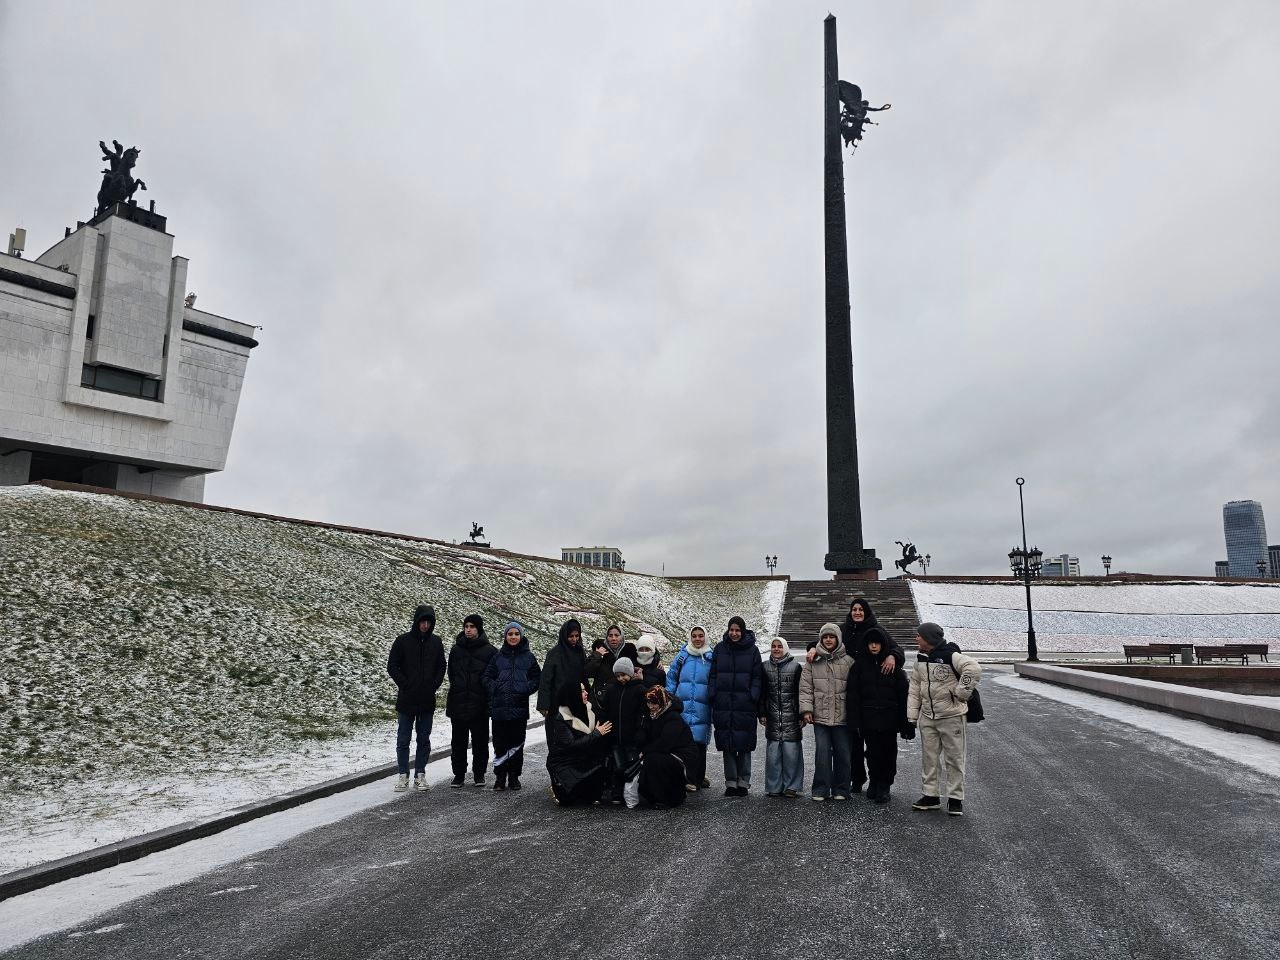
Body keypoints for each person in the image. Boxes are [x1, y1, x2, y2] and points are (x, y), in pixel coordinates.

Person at [809, 597, 905, 793]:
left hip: (870, 691)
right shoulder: (844, 629)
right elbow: (826, 640)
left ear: (866, 612)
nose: (857, 612)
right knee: (853, 743)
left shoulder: (876, 629)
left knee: (875, 745)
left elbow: (896, 648)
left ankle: (879, 781)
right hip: (848, 691)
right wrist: (811, 647)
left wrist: (892, 656)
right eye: (854, 609)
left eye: (861, 609)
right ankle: (857, 778)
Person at [907, 622, 982, 816]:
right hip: (928, 717)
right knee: (929, 758)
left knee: (954, 758)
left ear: (929, 638)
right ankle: (930, 795)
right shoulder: (920, 659)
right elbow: (915, 689)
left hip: (951, 716)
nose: (916, 638)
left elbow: (973, 668)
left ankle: (955, 799)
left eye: (919, 635)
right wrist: (912, 717)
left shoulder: (950, 655)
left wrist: (962, 692)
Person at [387, 605, 446, 792]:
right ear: (416, 621)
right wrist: (405, 684)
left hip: (427, 700)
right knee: (403, 739)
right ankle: (403, 774)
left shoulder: (436, 642)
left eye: (429, 622)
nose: (425, 625)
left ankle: (420, 774)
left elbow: (441, 666)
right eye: (422, 621)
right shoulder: (402, 641)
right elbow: (392, 666)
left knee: (424, 739)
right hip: (407, 700)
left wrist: (434, 684)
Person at [846, 630, 909, 804]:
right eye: (870, 643)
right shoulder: (859, 667)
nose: (874, 646)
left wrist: (906, 724)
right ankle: (874, 780)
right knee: (872, 753)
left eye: (877, 643)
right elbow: (853, 696)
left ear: (883, 645)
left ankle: (885, 785)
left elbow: (903, 696)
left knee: (888, 752)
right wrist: (855, 721)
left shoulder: (893, 667)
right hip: (869, 718)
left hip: (889, 719)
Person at [481, 621, 542, 792]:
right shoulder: (498, 657)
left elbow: (537, 678)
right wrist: (495, 688)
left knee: (516, 744)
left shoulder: (529, 657)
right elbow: (486, 677)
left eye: (516, 634)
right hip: (499, 710)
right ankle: (500, 777)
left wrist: (525, 688)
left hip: (519, 709)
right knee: (500, 744)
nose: (513, 637)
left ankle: (514, 777)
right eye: (510, 634)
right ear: (505, 636)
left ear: (521, 636)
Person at [708, 616, 763, 796]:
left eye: (737, 630)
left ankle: (743, 782)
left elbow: (757, 677)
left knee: (744, 744)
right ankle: (731, 782)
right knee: (728, 744)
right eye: (731, 630)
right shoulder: (720, 648)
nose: (734, 633)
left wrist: (753, 695)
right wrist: (713, 693)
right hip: (724, 702)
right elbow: (713, 674)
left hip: (744, 704)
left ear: (743, 631)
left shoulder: (753, 650)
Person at [799, 622, 853, 801]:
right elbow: (806, 688)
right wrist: (807, 710)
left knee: (843, 754)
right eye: (825, 637)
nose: (828, 640)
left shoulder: (848, 661)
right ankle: (820, 789)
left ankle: (842, 789)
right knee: (822, 753)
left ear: (838, 639)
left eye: (832, 637)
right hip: (820, 716)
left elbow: (854, 690)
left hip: (842, 715)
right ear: (820, 639)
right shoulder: (812, 661)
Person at [445, 614, 496, 788]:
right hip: (458, 702)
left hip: (479, 704)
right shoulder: (456, 650)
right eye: (466, 626)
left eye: (472, 626)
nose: (468, 629)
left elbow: (492, 677)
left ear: (478, 629)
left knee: (480, 742)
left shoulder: (490, 651)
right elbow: (451, 673)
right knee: (458, 742)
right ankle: (458, 775)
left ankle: (479, 774)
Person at [546, 681, 613, 806]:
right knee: (567, 801)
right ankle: (557, 788)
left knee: (592, 797)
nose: (586, 693)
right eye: (582, 691)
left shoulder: (589, 710)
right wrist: (596, 734)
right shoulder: (562, 718)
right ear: (573, 695)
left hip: (583, 759)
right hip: (565, 764)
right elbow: (571, 746)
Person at [665, 625, 714, 790]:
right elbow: (672, 677)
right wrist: (670, 698)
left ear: (705, 637)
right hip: (683, 706)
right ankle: (688, 778)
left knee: (700, 743)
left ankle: (697, 778)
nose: (697, 639)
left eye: (701, 635)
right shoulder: (682, 656)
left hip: (703, 706)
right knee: (684, 743)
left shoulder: (711, 657)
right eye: (694, 636)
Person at [600, 656, 649, 808]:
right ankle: (617, 793)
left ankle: (631, 794)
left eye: (623, 675)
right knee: (617, 765)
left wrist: (640, 732)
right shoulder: (611, 689)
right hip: (615, 735)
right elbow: (605, 710)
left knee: (631, 765)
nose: (621, 678)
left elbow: (643, 713)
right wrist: (606, 727)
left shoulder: (639, 689)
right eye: (618, 676)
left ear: (630, 673)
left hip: (632, 736)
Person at [637, 687, 697, 809]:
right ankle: (656, 796)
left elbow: (665, 743)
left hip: (683, 755)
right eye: (649, 703)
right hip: (668, 751)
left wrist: (645, 751)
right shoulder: (653, 715)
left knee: (654, 760)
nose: (651, 706)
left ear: (662, 701)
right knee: (651, 759)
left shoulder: (673, 717)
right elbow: (646, 734)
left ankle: (667, 798)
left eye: (654, 703)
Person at [759, 637, 803, 798]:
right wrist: (762, 713)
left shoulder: (796, 667)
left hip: (791, 717)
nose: (776, 649)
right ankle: (774, 786)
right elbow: (762, 693)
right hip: (772, 716)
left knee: (792, 753)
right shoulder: (764, 667)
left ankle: (792, 786)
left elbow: (801, 693)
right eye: (773, 646)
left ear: (785, 648)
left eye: (779, 646)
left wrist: (801, 714)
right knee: (773, 754)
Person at [537, 618, 587, 718]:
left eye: (577, 636)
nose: (574, 639)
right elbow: (545, 680)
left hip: (577, 701)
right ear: (564, 635)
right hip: (558, 704)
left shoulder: (580, 652)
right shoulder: (554, 653)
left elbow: (584, 675)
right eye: (571, 636)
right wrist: (543, 705)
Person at [585, 624, 626, 703]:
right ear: (606, 638)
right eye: (610, 635)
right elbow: (588, 672)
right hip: (599, 701)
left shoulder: (628, 654)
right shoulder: (600, 653)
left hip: (620, 700)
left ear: (621, 638)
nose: (613, 638)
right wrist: (597, 655)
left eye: (616, 635)